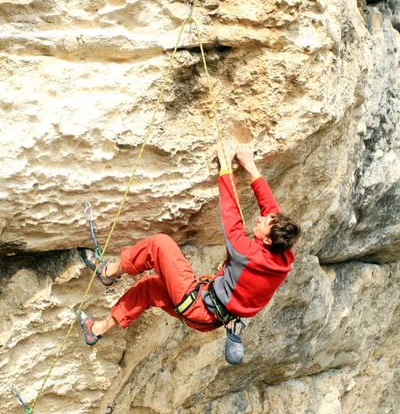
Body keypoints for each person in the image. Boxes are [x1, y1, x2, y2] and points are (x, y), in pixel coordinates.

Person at [77, 143, 300, 363]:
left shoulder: (248, 253)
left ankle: (107, 271)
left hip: (197, 305)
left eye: (264, 223)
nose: (261, 218)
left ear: (269, 241)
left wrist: (225, 166)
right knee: (148, 288)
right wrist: (250, 165)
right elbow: (271, 211)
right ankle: (96, 330)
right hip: (207, 317)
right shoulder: (283, 256)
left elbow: (230, 216)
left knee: (160, 244)